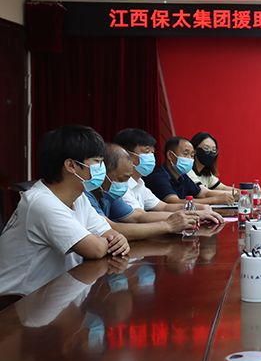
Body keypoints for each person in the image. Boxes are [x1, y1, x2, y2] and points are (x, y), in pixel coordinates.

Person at [0, 125, 129, 297]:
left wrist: (118, 239)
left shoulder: (79, 196)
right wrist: (111, 241)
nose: (102, 167)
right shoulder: (42, 203)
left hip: (54, 294)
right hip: (16, 302)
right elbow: (95, 249)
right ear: (71, 165)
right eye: (97, 161)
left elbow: (108, 232)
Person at [85, 144, 203, 240]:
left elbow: (137, 216)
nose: (124, 185)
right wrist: (168, 225)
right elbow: (110, 229)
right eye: (121, 179)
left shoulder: (108, 194)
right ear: (102, 172)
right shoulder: (86, 195)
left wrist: (185, 218)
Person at [113, 128, 223, 223]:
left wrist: (201, 208)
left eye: (152, 153)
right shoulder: (119, 185)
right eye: (146, 152)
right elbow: (139, 216)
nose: (151, 157)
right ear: (126, 154)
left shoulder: (140, 183)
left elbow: (164, 206)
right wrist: (194, 214)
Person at [143, 136, 235, 205]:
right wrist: (215, 200)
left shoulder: (183, 176)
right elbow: (176, 202)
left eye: (192, 155)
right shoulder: (158, 177)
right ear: (170, 156)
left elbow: (203, 193)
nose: (190, 159)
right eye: (185, 154)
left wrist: (231, 195)